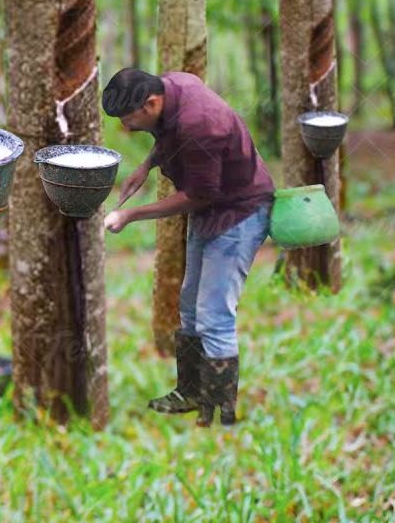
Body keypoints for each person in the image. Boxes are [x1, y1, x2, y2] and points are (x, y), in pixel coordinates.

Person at [100, 67, 274, 426]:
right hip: (212, 210)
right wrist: (146, 166)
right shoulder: (173, 86)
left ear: (151, 102)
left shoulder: (201, 125)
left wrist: (131, 215)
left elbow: (198, 194)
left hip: (238, 213)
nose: (127, 127)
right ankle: (190, 393)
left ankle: (221, 414)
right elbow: (168, 138)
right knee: (190, 308)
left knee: (214, 315)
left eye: (130, 119)